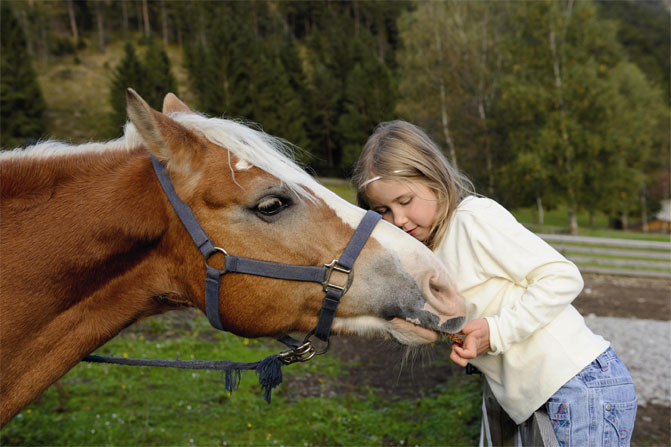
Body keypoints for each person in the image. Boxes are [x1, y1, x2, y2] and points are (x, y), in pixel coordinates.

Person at [352, 120, 637, 446]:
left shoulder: (471, 220)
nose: (398, 220)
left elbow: (562, 276)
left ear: (434, 180)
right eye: (383, 210)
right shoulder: (429, 252)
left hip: (577, 385)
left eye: (405, 201)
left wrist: (496, 332)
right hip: (554, 394)